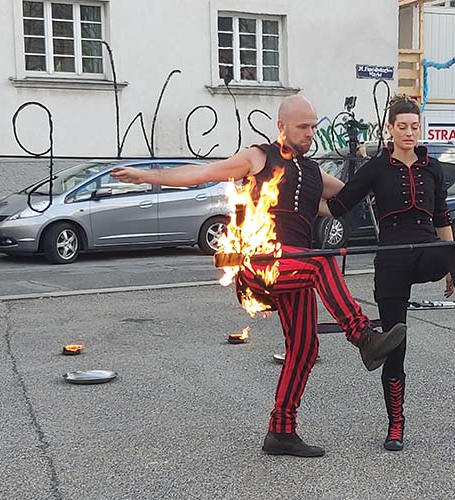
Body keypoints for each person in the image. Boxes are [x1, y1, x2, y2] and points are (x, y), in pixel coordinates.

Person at [111, 95, 406, 458]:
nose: (310, 133)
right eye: (303, 127)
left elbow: (356, 194)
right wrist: (147, 176)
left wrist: (400, 176)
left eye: (314, 126)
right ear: (281, 126)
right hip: (260, 263)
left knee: (305, 347)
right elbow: (203, 173)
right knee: (321, 261)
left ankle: (281, 432)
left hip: (295, 268)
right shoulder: (258, 157)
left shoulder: (314, 173)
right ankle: (362, 335)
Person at [323, 96, 455, 452]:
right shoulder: (376, 168)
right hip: (392, 257)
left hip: (426, 247)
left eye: (414, 126)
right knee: (396, 347)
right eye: (402, 126)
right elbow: (339, 205)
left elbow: (442, 218)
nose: (409, 132)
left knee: (453, 248)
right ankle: (396, 426)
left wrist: (454, 267)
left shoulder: (433, 168)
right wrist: (294, 206)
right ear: (390, 129)